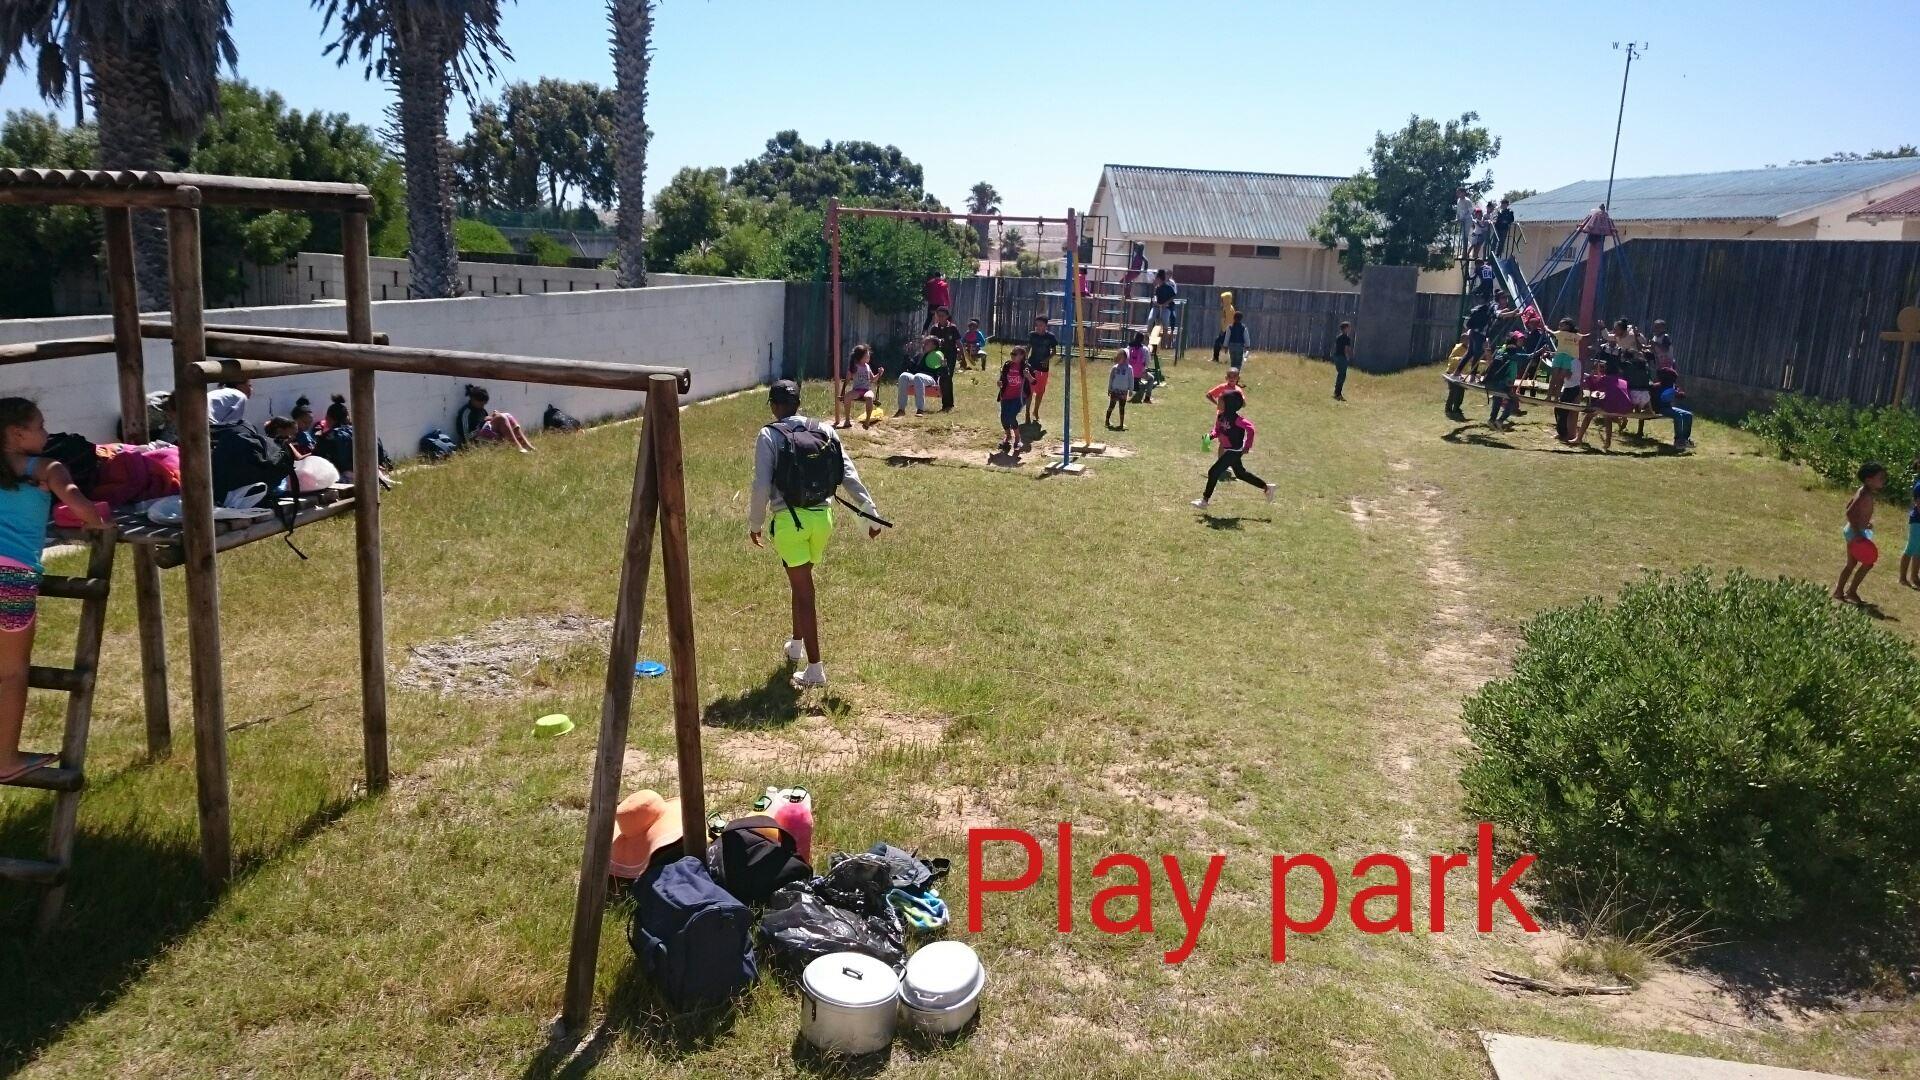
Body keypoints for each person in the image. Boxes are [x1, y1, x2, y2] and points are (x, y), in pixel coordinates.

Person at [749, 381, 883, 689]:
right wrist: (870, 513)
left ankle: (815, 669)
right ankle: (795, 645)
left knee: (805, 592)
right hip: (823, 519)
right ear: (798, 403)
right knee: (800, 582)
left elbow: (761, 485)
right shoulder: (824, 429)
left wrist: (755, 524)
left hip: (790, 522)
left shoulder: (769, 435)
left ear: (774, 406)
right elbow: (848, 474)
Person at [0, 398, 105, 783]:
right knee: (12, 672)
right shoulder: (46, 468)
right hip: (11, 579)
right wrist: (98, 523)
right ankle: (5, 760)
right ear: (17, 434)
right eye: (40, 426)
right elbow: (78, 503)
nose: (46, 433)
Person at [1192, 390, 1275, 510]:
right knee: (1240, 474)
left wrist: (1247, 446)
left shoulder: (1237, 419)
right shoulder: (1220, 416)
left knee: (1213, 472)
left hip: (1234, 451)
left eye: (1220, 401)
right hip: (1228, 449)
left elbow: (1250, 429)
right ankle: (1267, 488)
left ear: (1228, 404)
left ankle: (1204, 501)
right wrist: (1210, 436)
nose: (1218, 402)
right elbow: (1217, 430)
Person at [1835, 462, 1887, 604]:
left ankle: (1839, 591)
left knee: (1851, 564)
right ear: (1869, 480)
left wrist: (1864, 523)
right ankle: (1851, 592)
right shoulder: (1864, 494)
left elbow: (1850, 505)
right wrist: (1858, 531)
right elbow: (1849, 512)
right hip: (1855, 533)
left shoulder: (1863, 491)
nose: (1883, 480)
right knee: (1868, 563)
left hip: (1853, 530)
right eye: (1880, 477)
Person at [313, 394, 394, 484]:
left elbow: (317, 459)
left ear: (329, 418)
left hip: (348, 477)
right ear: (347, 417)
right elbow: (381, 454)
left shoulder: (330, 436)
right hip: (374, 472)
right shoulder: (363, 430)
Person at [1573, 359, 1633, 451]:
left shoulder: (1606, 379)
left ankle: (1579, 438)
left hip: (1612, 405)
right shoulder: (1623, 381)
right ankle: (1607, 442)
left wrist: (1592, 375)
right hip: (1625, 406)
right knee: (1607, 416)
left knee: (1589, 415)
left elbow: (1593, 387)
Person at [455, 384, 535, 453]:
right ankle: (519, 448)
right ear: (473, 399)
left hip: (485, 437)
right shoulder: (466, 413)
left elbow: (486, 425)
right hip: (473, 444)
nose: (483, 406)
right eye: (481, 403)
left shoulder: (481, 410)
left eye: (484, 404)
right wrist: (483, 423)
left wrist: (491, 418)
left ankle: (528, 446)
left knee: (507, 415)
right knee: (501, 418)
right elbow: (467, 437)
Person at [1549, 319, 1587, 442]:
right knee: (1562, 410)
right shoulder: (1574, 360)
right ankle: (1564, 433)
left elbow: (1568, 376)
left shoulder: (1572, 362)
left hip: (1572, 388)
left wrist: (1559, 376)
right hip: (1571, 387)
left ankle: (1565, 434)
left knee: (1562, 411)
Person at [1483, 334, 1523, 429]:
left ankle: (1492, 420)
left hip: (1492, 382)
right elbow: (1512, 373)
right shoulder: (1512, 355)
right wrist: (1510, 385)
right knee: (1513, 401)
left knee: (1497, 399)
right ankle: (1500, 420)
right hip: (1502, 383)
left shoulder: (1500, 351)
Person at [996, 346, 1031, 454]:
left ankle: (1017, 438)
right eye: (1011, 353)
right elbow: (1002, 378)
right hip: (1006, 396)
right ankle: (1008, 436)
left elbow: (1034, 382)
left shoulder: (1026, 367)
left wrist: (1028, 376)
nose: (1012, 356)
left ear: (1022, 356)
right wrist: (1000, 383)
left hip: (1019, 397)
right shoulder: (1007, 365)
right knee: (1003, 417)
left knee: (1011, 416)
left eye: (1014, 354)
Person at [1024, 315, 1058, 426]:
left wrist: (1046, 359)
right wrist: (1025, 359)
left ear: (1046, 326)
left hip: (1043, 368)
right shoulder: (1032, 335)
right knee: (1029, 391)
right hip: (1031, 366)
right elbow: (1028, 348)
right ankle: (1027, 414)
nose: (1038, 327)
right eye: (1037, 325)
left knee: (1040, 392)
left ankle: (1036, 411)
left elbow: (1054, 352)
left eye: (1041, 325)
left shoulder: (1050, 337)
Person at [894, 336, 939, 417]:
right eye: (924, 343)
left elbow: (940, 371)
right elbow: (910, 367)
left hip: (931, 378)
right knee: (903, 376)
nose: (924, 345)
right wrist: (907, 354)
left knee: (918, 377)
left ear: (934, 346)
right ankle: (901, 409)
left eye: (927, 343)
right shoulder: (920, 355)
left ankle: (920, 409)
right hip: (917, 377)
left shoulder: (937, 356)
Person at [840, 344, 882, 429]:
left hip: (867, 390)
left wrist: (879, 373)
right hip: (857, 390)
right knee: (847, 397)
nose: (869, 356)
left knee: (869, 397)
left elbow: (873, 379)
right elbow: (847, 379)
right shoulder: (854, 367)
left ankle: (867, 421)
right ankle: (847, 420)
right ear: (861, 357)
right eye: (867, 355)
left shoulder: (867, 366)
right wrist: (843, 391)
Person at [930, 308, 961, 411]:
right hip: (939, 356)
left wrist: (961, 355)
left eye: (942, 316)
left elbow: (958, 342)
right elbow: (930, 342)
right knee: (942, 378)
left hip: (951, 355)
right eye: (938, 316)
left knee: (947, 377)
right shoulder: (934, 328)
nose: (940, 318)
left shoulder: (952, 328)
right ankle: (946, 404)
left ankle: (948, 404)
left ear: (947, 316)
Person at [1654, 368, 1693, 450]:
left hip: (1668, 407)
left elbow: (1677, 394)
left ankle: (1685, 439)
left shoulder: (1672, 386)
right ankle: (1678, 441)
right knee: (1678, 416)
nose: (1674, 381)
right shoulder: (1657, 387)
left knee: (1688, 415)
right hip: (1660, 408)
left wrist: (1679, 394)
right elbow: (1657, 399)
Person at [1901, 456, 1920, 591]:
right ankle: (1902, 577)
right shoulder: (1919, 486)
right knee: (1911, 548)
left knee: (1918, 550)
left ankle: (1914, 576)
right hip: (1917, 521)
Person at [1106, 352, 1133, 430]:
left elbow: (1131, 379)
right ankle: (1107, 421)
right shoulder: (1115, 368)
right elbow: (1111, 379)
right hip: (1115, 390)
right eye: (1118, 357)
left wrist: (1131, 389)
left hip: (1123, 391)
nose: (1119, 359)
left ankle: (1121, 424)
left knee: (1122, 407)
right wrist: (1109, 388)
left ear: (1125, 358)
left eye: (1121, 357)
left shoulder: (1129, 368)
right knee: (1111, 406)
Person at [1126, 331, 1152, 404]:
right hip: (1140, 373)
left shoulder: (1129, 347)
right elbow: (1148, 362)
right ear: (1142, 339)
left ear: (1135, 337)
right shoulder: (1145, 349)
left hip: (1129, 372)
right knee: (1151, 378)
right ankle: (1147, 398)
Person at [1213, 290, 1237, 363]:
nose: (1221, 301)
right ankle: (1229, 359)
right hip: (1230, 329)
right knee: (1225, 344)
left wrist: (1223, 330)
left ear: (1226, 299)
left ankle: (1215, 358)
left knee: (1217, 342)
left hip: (1226, 330)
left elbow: (1226, 320)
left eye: (1222, 299)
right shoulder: (1231, 308)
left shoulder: (1226, 309)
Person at [1332, 320, 1353, 401]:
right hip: (1342, 358)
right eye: (1349, 327)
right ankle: (1338, 394)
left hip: (1337, 357)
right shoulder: (1347, 338)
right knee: (1342, 375)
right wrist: (1347, 357)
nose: (1350, 329)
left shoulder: (1338, 337)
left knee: (1340, 374)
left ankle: (1336, 392)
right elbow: (1346, 349)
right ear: (1345, 328)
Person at [1455, 188, 1474, 253]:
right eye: (1457, 193)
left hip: (1468, 220)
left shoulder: (1467, 201)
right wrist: (1457, 218)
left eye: (1459, 192)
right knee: (1463, 235)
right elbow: (1458, 211)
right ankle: (1464, 251)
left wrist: (1464, 217)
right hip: (1462, 220)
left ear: (1463, 193)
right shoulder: (1458, 200)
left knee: (1465, 235)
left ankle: (1465, 252)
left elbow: (1471, 211)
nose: (1457, 194)